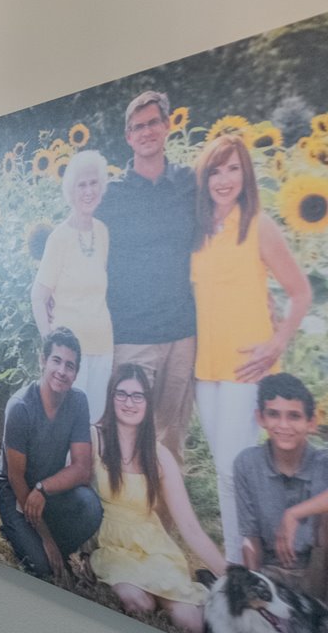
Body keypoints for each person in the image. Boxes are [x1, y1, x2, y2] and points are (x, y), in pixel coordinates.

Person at [190, 131, 312, 566]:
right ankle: (247, 560)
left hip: (246, 367)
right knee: (228, 472)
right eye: (216, 170)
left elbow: (300, 293)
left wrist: (277, 340)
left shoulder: (258, 224)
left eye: (233, 168)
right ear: (204, 178)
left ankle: (240, 569)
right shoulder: (199, 229)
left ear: (246, 174)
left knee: (229, 468)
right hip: (205, 368)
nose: (224, 179)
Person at [89, 364, 229, 633]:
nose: (129, 402)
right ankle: (147, 595)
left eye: (137, 396)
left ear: (147, 403)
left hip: (152, 545)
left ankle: (198, 591)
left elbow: (189, 526)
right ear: (111, 397)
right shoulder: (95, 437)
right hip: (113, 545)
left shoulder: (159, 455)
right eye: (122, 394)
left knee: (192, 623)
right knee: (138, 602)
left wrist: (230, 575)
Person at [97, 91, 199, 459]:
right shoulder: (112, 195)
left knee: (170, 438)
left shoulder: (190, 184)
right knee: (126, 436)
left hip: (181, 335)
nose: (146, 132)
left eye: (153, 122)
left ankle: (162, 518)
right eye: (137, 127)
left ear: (168, 125)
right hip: (132, 334)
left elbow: (223, 229)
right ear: (128, 137)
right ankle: (122, 514)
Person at [0, 327, 102, 580]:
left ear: (76, 373)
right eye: (56, 360)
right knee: (41, 569)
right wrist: (46, 538)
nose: (62, 371)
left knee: (90, 506)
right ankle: (17, 531)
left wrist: (42, 489)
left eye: (70, 366)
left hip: (46, 485)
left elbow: (82, 468)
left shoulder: (78, 402)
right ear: (42, 360)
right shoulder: (20, 407)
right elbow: (16, 477)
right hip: (13, 487)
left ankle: (52, 549)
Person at [31, 148, 115, 422]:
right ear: (71, 191)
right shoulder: (59, 238)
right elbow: (38, 296)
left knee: (93, 423)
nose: (88, 191)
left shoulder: (103, 231)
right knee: (66, 425)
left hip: (102, 347)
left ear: (101, 188)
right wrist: (50, 345)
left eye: (93, 183)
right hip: (70, 355)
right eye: (82, 185)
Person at [230, 372, 328, 600]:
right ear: (261, 418)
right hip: (271, 573)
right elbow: (250, 535)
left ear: (310, 423)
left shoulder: (322, 462)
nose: (283, 425)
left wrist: (294, 514)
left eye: (294, 416)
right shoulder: (247, 463)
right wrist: (255, 588)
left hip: (319, 570)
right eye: (274, 414)